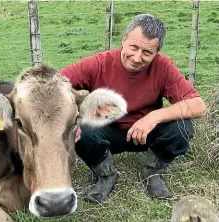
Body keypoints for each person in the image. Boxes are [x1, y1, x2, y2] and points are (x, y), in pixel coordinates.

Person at [59, 14, 206, 203]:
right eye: (133, 47)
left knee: (182, 128)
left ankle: (152, 172)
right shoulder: (98, 63)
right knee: (82, 128)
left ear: (157, 52)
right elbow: (55, 84)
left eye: (147, 52)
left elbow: (198, 105)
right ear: (124, 40)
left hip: (147, 133)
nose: (137, 58)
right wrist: (71, 119)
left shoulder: (163, 66)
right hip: (107, 131)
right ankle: (106, 175)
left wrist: (153, 117)